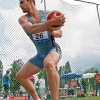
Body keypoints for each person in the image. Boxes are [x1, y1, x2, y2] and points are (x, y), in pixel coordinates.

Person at [16, 0, 65, 100]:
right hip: (40, 54)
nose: (20, 5)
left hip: (53, 49)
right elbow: (32, 29)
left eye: (22, 2)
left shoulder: (47, 14)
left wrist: (51, 28)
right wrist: (50, 23)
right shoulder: (23, 19)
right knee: (20, 76)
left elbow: (59, 33)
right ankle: (37, 99)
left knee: (49, 63)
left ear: (30, 1)